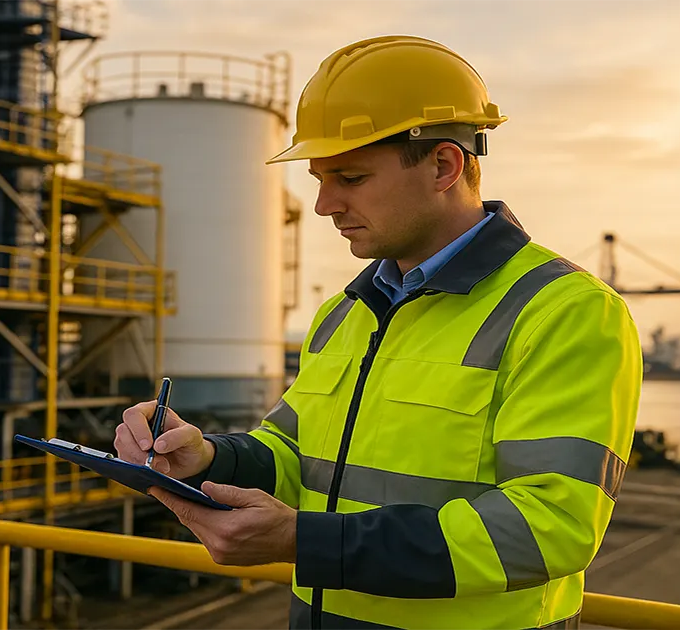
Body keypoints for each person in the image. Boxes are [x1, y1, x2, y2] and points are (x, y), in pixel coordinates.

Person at [115, 35, 643, 630]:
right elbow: (293, 456)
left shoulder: (562, 312)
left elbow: (549, 528)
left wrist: (307, 542)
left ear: (444, 165)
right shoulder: (345, 313)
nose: (322, 205)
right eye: (319, 178)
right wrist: (206, 457)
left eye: (350, 177)